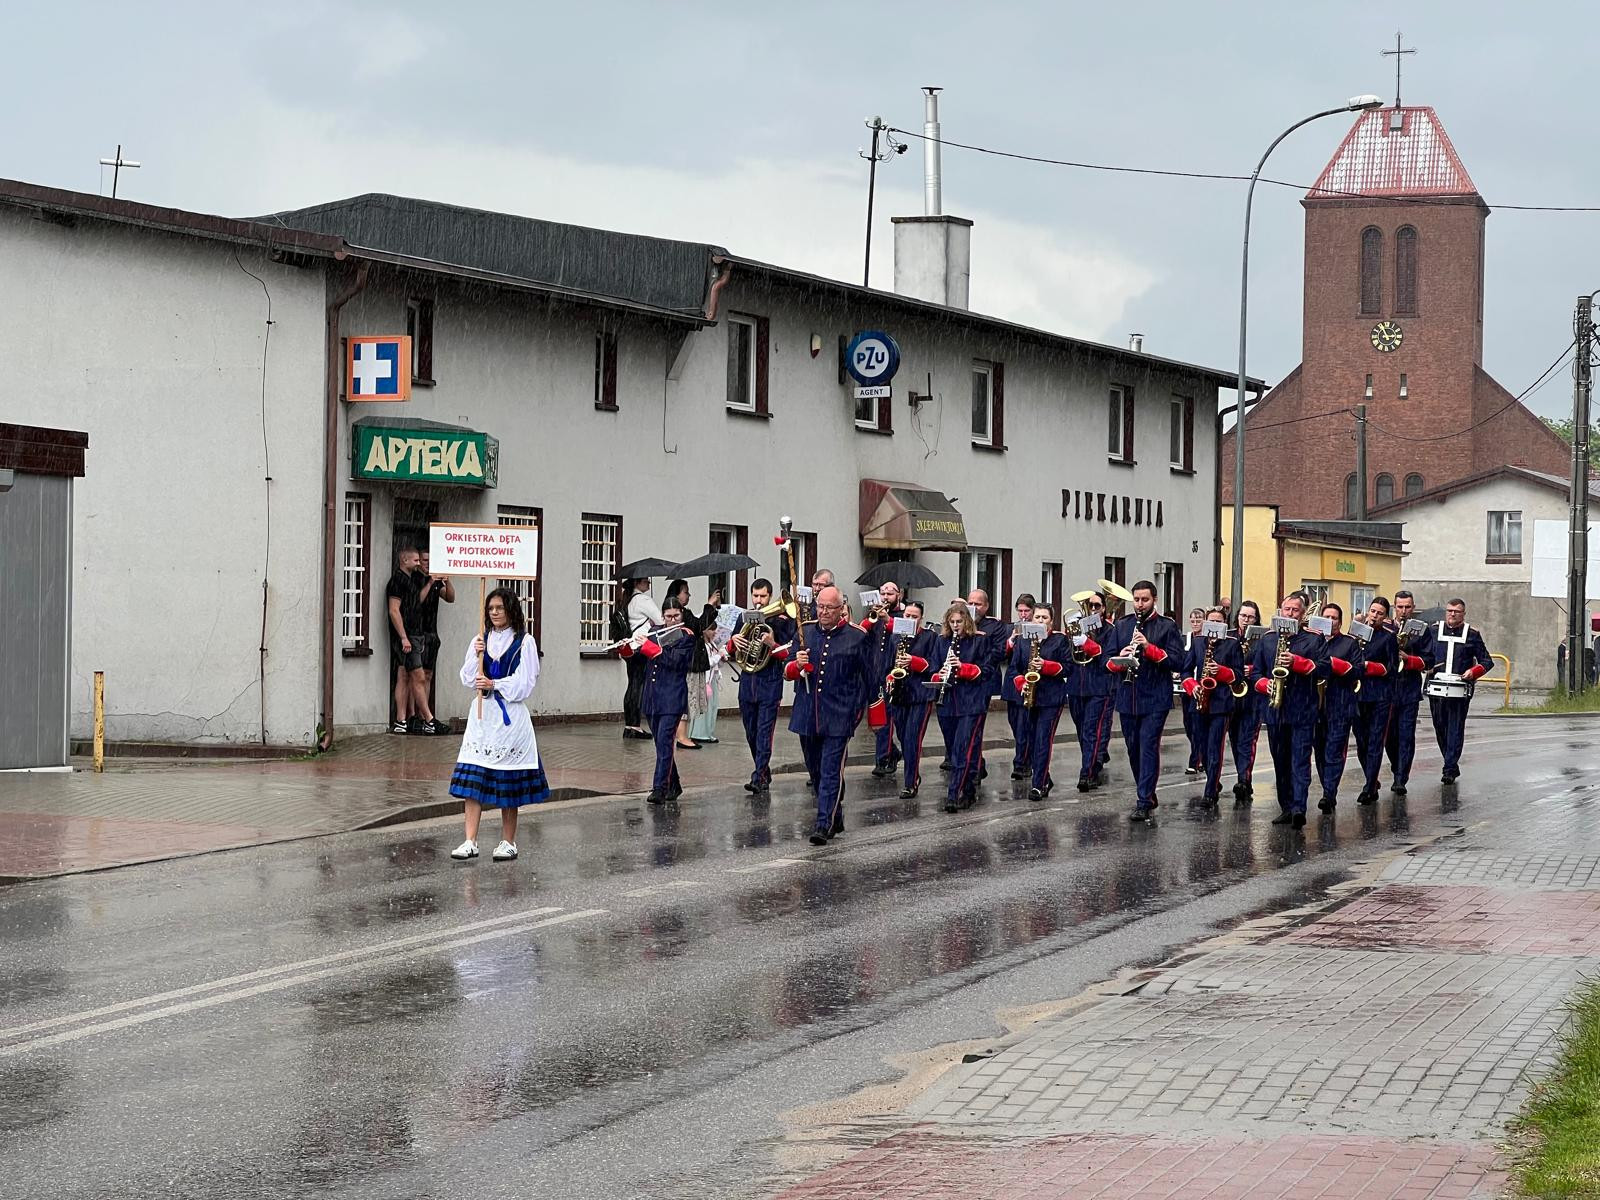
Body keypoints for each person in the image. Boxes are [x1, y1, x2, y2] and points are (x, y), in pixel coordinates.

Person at [448, 588, 550, 863]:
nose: (494, 612)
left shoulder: (524, 642)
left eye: (499, 608)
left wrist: (496, 685)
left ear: (510, 610)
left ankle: (508, 841)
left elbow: (525, 682)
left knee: (508, 782)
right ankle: (470, 839)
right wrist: (475, 656)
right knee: (474, 779)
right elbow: (468, 678)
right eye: (490, 608)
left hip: (510, 719)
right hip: (483, 718)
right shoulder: (480, 639)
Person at [786, 585, 873, 844]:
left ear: (840, 610)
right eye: (820, 607)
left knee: (830, 771)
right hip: (807, 714)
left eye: (829, 608)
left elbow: (868, 678)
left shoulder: (857, 636)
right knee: (816, 772)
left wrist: (862, 713)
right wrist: (797, 665)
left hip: (839, 715)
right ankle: (835, 813)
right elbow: (787, 668)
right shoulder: (806, 631)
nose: (823, 612)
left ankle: (823, 823)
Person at [1103, 580, 1185, 822]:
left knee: (1148, 747)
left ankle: (1143, 801)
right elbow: (1106, 661)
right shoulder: (1122, 625)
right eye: (1136, 600)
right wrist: (1121, 658)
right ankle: (1147, 793)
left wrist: (1149, 648)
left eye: (1144, 600)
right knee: (1133, 748)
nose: (1139, 605)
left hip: (1155, 697)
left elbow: (1178, 661)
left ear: (1154, 600)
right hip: (1128, 695)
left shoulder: (1167, 626)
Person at [1250, 592, 1329, 829]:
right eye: (1286, 609)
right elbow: (1255, 673)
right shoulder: (1268, 639)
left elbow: (1324, 668)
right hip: (1276, 710)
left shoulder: (1314, 640)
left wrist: (1297, 663)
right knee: (1280, 761)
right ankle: (1285, 806)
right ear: (1280, 610)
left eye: (1295, 610)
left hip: (1303, 709)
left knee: (1300, 761)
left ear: (1303, 614)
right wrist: (1267, 685)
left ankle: (1298, 808)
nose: (1290, 614)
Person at [729, 578, 794, 795]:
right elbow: (731, 651)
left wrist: (771, 644)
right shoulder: (743, 617)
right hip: (748, 684)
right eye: (755, 596)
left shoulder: (782, 620)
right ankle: (763, 770)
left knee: (764, 733)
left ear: (770, 596)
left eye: (763, 596)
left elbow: (787, 654)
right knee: (751, 733)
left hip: (769, 684)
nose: (758, 601)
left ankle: (758, 776)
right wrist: (734, 641)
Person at [930, 600, 993, 812]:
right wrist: (940, 674)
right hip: (947, 702)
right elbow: (933, 666)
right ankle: (968, 790)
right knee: (953, 748)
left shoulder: (979, 641)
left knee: (962, 748)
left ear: (967, 620)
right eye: (952, 621)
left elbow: (987, 670)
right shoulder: (941, 641)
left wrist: (963, 667)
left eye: (959, 621)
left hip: (971, 703)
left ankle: (953, 794)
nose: (956, 625)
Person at [633, 600, 697, 805]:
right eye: (668, 617)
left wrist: (653, 648)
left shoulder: (686, 635)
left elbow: (676, 661)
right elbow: (641, 658)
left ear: (682, 615)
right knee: (662, 745)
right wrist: (631, 648)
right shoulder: (654, 630)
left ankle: (659, 787)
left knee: (666, 741)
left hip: (672, 697)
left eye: (676, 616)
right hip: (652, 696)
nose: (672, 621)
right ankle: (674, 784)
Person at [1180, 607, 1244, 810]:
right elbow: (1186, 670)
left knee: (1215, 747)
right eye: (1211, 622)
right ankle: (1213, 781)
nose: (1214, 626)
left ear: (1225, 625)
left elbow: (1239, 676)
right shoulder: (1198, 642)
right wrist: (1193, 686)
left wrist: (1222, 671)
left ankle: (1209, 793)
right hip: (1199, 700)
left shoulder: (1232, 645)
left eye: (1219, 623)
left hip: (1221, 703)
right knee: (1202, 748)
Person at [1427, 598, 1492, 784]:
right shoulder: (1433, 631)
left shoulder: (1472, 635)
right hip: (1436, 687)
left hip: (1459, 690)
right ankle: (1451, 763)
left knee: (1455, 728)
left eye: (1457, 611)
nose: (1452, 614)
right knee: (1440, 727)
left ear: (1463, 614)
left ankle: (1448, 768)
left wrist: (1472, 672)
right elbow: (1424, 654)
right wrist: (1427, 665)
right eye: (1449, 610)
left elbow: (1487, 661)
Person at [1011, 604, 1070, 802]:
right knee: (1031, 740)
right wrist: (1021, 683)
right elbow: (1013, 669)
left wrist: (1046, 666)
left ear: (1051, 621)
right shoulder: (1022, 640)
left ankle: (1039, 784)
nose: (1040, 621)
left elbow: (1068, 667)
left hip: (1051, 698)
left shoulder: (1059, 640)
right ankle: (1044, 776)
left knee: (1043, 740)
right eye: (1037, 617)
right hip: (1029, 697)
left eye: (1045, 618)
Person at [1312, 602, 1366, 814]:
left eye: (1334, 618)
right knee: (1319, 750)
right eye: (1327, 617)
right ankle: (1327, 785)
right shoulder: (1313, 642)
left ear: (1340, 622)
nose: (1330, 621)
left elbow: (1358, 671)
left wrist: (1332, 663)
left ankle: (1329, 793)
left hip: (1340, 704)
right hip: (1316, 705)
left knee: (1334, 750)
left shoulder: (1349, 643)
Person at [1384, 589, 1436, 796]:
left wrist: (1409, 660)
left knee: (1406, 735)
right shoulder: (1386, 627)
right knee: (1389, 736)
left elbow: (1430, 660)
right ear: (1394, 608)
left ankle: (1400, 778)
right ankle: (1396, 766)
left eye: (1407, 607)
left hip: (1409, 688)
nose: (1403, 611)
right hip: (1387, 689)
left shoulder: (1422, 631)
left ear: (1413, 608)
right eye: (1400, 607)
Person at [886, 600, 937, 799]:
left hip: (920, 695)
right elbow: (887, 664)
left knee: (912, 739)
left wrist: (913, 662)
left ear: (921, 619)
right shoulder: (895, 638)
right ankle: (911, 775)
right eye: (907, 616)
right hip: (899, 694)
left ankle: (911, 782)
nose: (910, 619)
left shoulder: (929, 637)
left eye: (914, 617)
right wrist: (890, 675)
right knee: (902, 736)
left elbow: (934, 664)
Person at [663, 578, 721, 750]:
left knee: (688, 700)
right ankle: (681, 736)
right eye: (686, 591)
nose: (688, 595)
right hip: (687, 664)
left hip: (686, 663)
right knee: (686, 699)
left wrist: (711, 608)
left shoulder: (684, 613)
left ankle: (682, 735)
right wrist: (709, 605)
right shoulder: (681, 615)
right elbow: (699, 626)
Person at [1352, 596, 1398, 805]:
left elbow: (1391, 667)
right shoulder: (1356, 633)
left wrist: (1371, 666)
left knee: (1374, 742)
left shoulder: (1388, 638)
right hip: (1358, 695)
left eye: (1379, 613)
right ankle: (1372, 778)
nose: (1374, 616)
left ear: (1385, 617)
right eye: (1372, 611)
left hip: (1379, 695)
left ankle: (1369, 786)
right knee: (1361, 742)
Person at [1065, 591, 1112, 792]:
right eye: (1090, 606)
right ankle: (1092, 763)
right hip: (1076, 686)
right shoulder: (1076, 627)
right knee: (1082, 731)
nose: (1093, 610)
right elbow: (1067, 656)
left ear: (1103, 609)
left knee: (1092, 731)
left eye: (1097, 606)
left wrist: (1087, 643)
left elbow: (1108, 657)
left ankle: (1088, 773)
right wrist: (1073, 635)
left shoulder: (1109, 630)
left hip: (1099, 687)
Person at [861, 580, 905, 778]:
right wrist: (871, 621)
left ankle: (883, 758)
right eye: (883, 593)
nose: (886, 597)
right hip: (874, 670)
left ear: (900, 595)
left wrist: (888, 620)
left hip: (891, 671)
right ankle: (892, 752)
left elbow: (903, 639)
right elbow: (862, 636)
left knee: (886, 716)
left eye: (890, 593)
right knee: (876, 716)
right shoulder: (873, 617)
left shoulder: (903, 616)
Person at [408, 552, 455, 735]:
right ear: (419, 563)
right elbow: (416, 601)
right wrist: (429, 582)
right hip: (417, 634)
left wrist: (447, 581)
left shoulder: (436, 582)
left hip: (432, 634)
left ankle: (424, 715)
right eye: (425, 560)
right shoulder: (416, 579)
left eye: (431, 560)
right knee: (416, 677)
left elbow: (450, 598)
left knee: (427, 676)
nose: (428, 564)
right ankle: (416, 717)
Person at [1227, 600, 1265, 804]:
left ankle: (1244, 779)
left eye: (1250, 617)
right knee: (1234, 738)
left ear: (1256, 619)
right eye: (1243, 616)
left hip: (1252, 697)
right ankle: (1242, 775)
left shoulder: (1262, 638)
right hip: (1232, 695)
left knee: (1248, 740)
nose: (1246, 620)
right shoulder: (1230, 636)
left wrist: (1253, 669)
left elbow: (1266, 662)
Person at [385, 547, 424, 734]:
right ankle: (402, 719)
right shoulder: (397, 581)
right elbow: (394, 610)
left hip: (413, 634)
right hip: (404, 637)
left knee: (406, 674)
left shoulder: (412, 580)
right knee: (406, 675)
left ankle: (406, 718)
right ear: (404, 560)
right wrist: (403, 637)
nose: (418, 563)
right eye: (415, 560)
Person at [622, 577, 664, 739]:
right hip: (641, 646)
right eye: (646, 581)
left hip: (630, 648)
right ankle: (635, 726)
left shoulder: (628, 600)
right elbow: (661, 620)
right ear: (637, 583)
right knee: (639, 686)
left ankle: (629, 724)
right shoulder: (643, 600)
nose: (649, 583)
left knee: (632, 684)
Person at [1002, 594, 1038, 780]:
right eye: (1020, 611)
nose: (1023, 614)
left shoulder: (1037, 629)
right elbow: (1002, 654)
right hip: (1012, 684)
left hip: (1029, 681)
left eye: (1027, 611)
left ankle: (1022, 763)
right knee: (1015, 725)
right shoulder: (1011, 628)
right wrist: (1011, 640)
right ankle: (1024, 758)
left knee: (1026, 726)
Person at [688, 621, 725, 744]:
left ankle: (708, 732)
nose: (715, 632)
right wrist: (718, 656)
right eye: (712, 630)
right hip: (705, 680)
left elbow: (716, 665)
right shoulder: (700, 646)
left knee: (712, 706)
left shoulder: (712, 644)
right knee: (704, 706)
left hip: (712, 679)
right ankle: (700, 733)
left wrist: (721, 659)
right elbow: (706, 663)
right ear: (704, 631)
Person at [1180, 608, 1207, 775]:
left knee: (1198, 726)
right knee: (1188, 725)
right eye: (1193, 621)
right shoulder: (1186, 638)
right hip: (1188, 688)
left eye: (1199, 620)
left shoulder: (1206, 639)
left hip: (1203, 688)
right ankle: (1201, 755)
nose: (1196, 623)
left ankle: (1194, 760)